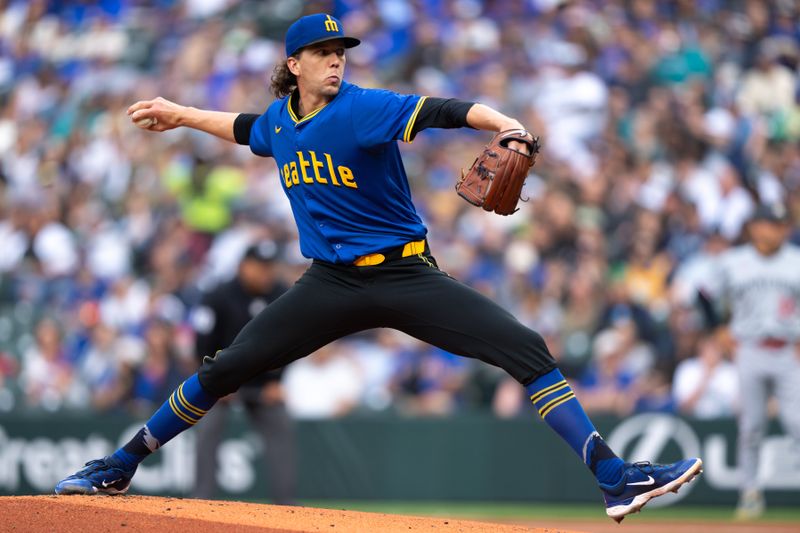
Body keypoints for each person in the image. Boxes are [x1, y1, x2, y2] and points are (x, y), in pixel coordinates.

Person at [54, 13, 701, 522]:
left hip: (406, 275)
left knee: (525, 347)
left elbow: (443, 110)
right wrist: (181, 114)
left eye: (342, 52)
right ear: (294, 64)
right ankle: (119, 461)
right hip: (329, 282)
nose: (337, 59)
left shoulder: (361, 107)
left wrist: (505, 121)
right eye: (324, 53)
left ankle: (613, 477)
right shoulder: (282, 121)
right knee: (224, 367)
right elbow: (246, 126)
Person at [704, 203, 800, 520]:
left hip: (788, 350)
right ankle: (749, 494)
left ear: (783, 228)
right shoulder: (734, 262)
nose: (768, 229)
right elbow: (704, 295)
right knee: (751, 426)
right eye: (763, 223)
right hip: (750, 348)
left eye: (775, 224)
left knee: (797, 423)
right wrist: (718, 327)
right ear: (754, 227)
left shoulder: (795, 261)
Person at [190, 241, 296, 504]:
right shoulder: (218, 295)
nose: (265, 273)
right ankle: (201, 499)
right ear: (243, 266)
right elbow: (201, 344)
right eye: (260, 267)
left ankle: (287, 505)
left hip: (264, 382)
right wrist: (213, 381)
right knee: (207, 427)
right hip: (221, 381)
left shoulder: (283, 294)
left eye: (269, 267)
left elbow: (293, 341)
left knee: (281, 425)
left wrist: (277, 381)